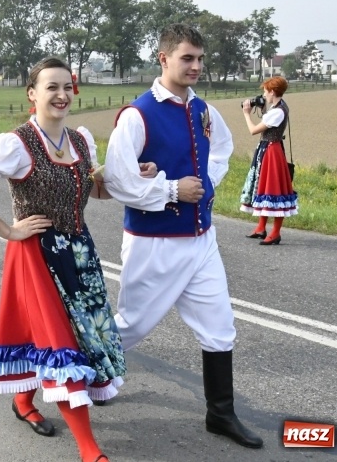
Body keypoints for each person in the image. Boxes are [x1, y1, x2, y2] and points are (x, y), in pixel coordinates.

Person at [0, 58, 135, 462]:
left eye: (67, 86)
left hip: (78, 252)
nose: (61, 94)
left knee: (58, 337)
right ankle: (89, 450)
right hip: (37, 255)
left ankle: (23, 401)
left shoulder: (81, 140)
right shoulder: (16, 144)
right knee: (61, 341)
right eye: (51, 87)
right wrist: (10, 230)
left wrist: (129, 176)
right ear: (32, 94)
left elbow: (94, 193)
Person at [103, 24, 264, 449]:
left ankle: (220, 413)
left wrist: (205, 185)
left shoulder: (204, 110)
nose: (195, 66)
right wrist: (173, 189)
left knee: (220, 327)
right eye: (187, 58)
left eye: (199, 58)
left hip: (201, 239)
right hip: (154, 242)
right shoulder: (138, 115)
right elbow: (118, 180)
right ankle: (91, 375)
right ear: (164, 59)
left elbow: (223, 150)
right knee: (131, 325)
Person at [239, 77, 298, 244]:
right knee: (263, 186)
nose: (263, 95)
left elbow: (253, 130)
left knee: (274, 189)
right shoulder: (278, 107)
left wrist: (246, 114)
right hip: (268, 150)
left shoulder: (277, 112)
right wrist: (263, 108)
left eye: (265, 91)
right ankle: (261, 227)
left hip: (272, 152)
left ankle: (276, 232)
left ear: (272, 92)